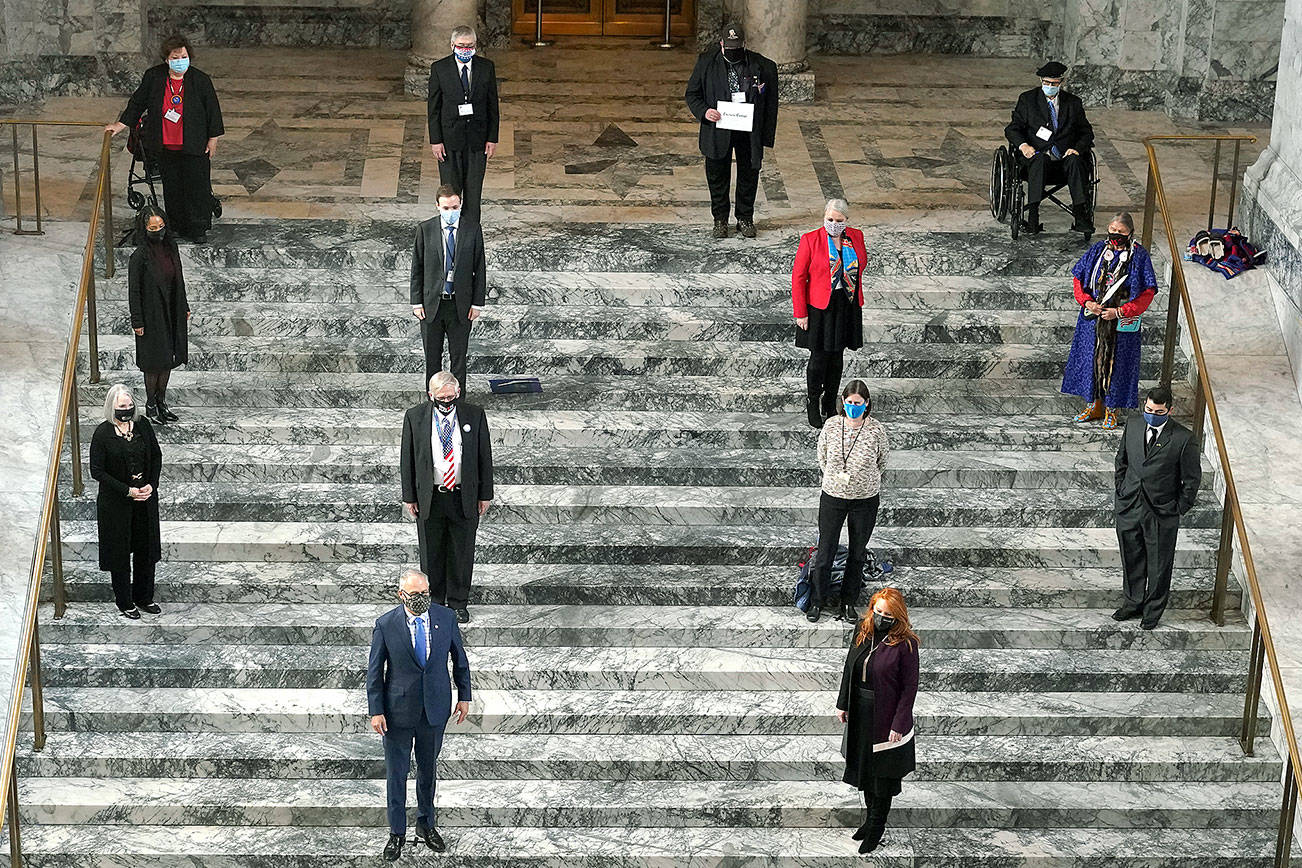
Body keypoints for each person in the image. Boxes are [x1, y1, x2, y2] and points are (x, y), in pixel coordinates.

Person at [367, 568, 472, 861]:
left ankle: (426, 826)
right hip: (397, 713)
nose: (422, 599)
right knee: (397, 775)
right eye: (415, 595)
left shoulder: (445, 618)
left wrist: (464, 695)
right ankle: (396, 833)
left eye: (425, 593)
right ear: (402, 595)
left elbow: (459, 659)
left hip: (434, 710)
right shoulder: (386, 624)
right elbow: (375, 672)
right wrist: (376, 710)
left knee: (428, 772)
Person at [106, 34, 223, 243]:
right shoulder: (154, 77)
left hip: (194, 144)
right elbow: (137, 103)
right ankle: (176, 226)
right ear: (167, 59)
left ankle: (197, 228)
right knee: (173, 187)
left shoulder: (200, 80)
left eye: (184, 56)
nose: (181, 61)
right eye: (176, 57)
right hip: (165, 145)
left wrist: (213, 138)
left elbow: (212, 110)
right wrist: (120, 125)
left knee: (197, 187)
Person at [400, 372, 493, 624]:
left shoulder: (474, 415)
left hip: (463, 493)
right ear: (431, 395)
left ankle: (458, 602)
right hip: (431, 495)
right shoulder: (415, 417)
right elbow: (407, 458)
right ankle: (435, 600)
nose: (446, 402)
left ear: (458, 393)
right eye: (441, 398)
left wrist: (485, 494)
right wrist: (409, 496)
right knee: (432, 551)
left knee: (461, 551)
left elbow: (484, 455)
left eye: (451, 397)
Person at [835, 587, 919, 854]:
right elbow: (850, 667)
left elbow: (909, 688)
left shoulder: (906, 644)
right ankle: (870, 820)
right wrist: (842, 703)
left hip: (886, 716)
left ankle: (876, 826)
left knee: (882, 775)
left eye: (888, 613)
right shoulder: (863, 629)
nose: (881, 617)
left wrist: (899, 723)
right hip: (860, 711)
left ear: (898, 615)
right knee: (865, 772)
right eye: (878, 611)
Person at [1113, 386, 1202, 630]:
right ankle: (1132, 602)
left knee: (1159, 564)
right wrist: (1121, 491)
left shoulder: (1184, 439)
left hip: (1162, 513)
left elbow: (1192, 480)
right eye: (1149, 409)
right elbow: (1121, 462)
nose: (1152, 414)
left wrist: (1178, 508)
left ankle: (1152, 611)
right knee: (1130, 556)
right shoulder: (1133, 426)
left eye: (1159, 411)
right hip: (1130, 505)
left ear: (1170, 411)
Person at [1061, 212, 1159, 430]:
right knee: (1091, 361)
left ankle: (1112, 410)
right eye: (1112, 230)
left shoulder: (1139, 256)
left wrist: (1121, 311)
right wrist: (1087, 302)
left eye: (1121, 232)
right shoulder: (1097, 250)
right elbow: (1079, 278)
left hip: (1121, 321)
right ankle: (1093, 405)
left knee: (1118, 365)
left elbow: (1148, 291)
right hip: (1093, 318)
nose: (1115, 235)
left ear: (1130, 233)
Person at [684, 22, 779, 239]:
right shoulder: (706, 62)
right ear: (721, 44)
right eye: (729, 48)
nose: (732, 51)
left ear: (744, 44)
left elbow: (771, 105)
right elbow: (692, 94)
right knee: (717, 175)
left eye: (737, 47)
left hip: (748, 131)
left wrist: (765, 136)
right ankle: (720, 219)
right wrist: (705, 112)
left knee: (749, 173)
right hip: (718, 129)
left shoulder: (763, 66)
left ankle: (745, 217)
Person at [810, 380, 888, 624]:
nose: (853, 406)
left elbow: (882, 461)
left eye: (858, 403)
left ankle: (848, 601)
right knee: (825, 551)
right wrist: (836, 479)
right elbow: (822, 457)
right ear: (843, 402)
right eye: (849, 402)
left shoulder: (876, 430)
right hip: (833, 496)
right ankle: (817, 600)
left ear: (867, 404)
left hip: (864, 500)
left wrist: (863, 480)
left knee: (857, 553)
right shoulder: (832, 426)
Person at [89, 384, 164, 619]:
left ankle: (144, 596)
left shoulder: (142, 425)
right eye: (122, 406)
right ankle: (124, 600)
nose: (127, 409)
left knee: (145, 548)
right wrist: (128, 491)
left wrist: (152, 483)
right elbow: (97, 471)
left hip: (145, 498)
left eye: (130, 405)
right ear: (112, 407)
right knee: (120, 551)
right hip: (117, 503)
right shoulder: (103, 434)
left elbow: (156, 455)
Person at [792, 199, 867, 429]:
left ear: (846, 221)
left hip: (845, 303)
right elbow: (798, 277)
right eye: (830, 220)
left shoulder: (855, 237)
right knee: (818, 358)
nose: (834, 224)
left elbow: (861, 264)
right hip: (819, 307)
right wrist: (800, 313)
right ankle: (812, 401)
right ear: (824, 217)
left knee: (837, 358)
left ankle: (830, 402)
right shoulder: (810, 240)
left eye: (839, 221)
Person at [410, 185, 487, 394]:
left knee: (458, 358)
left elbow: (479, 268)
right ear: (437, 206)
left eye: (454, 207)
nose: (450, 212)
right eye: (446, 208)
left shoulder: (472, 229)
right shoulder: (425, 230)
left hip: (459, 304)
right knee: (432, 358)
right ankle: (433, 401)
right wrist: (416, 302)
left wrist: (477, 303)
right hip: (432, 305)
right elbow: (417, 267)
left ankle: (458, 403)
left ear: (460, 204)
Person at [1003, 60, 1094, 234]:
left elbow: (1086, 132)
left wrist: (1076, 148)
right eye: (1046, 83)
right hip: (1035, 159)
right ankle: (1033, 215)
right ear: (1041, 82)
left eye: (1053, 84)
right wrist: (1023, 146)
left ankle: (1081, 215)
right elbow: (1012, 129)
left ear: (1061, 82)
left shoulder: (1073, 103)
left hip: (1063, 161)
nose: (1049, 86)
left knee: (1076, 161)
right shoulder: (1028, 100)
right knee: (1040, 159)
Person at [427, 25, 499, 225]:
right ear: (452, 45)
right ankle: (451, 230)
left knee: (473, 192)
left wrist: (492, 138)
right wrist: (436, 141)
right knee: (450, 191)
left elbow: (493, 105)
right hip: (450, 141)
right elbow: (433, 108)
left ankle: (472, 233)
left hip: (477, 140)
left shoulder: (486, 67)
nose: (466, 50)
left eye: (470, 46)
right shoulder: (439, 69)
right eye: (461, 46)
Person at [128, 205, 190, 424]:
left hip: (171, 309)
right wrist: (137, 321)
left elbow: (178, 281)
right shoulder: (139, 257)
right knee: (154, 361)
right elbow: (134, 291)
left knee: (168, 359)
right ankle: (151, 404)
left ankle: (162, 402)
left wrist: (185, 306)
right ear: (144, 229)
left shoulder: (171, 249)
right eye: (153, 227)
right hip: (151, 314)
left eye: (161, 226)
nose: (158, 231)